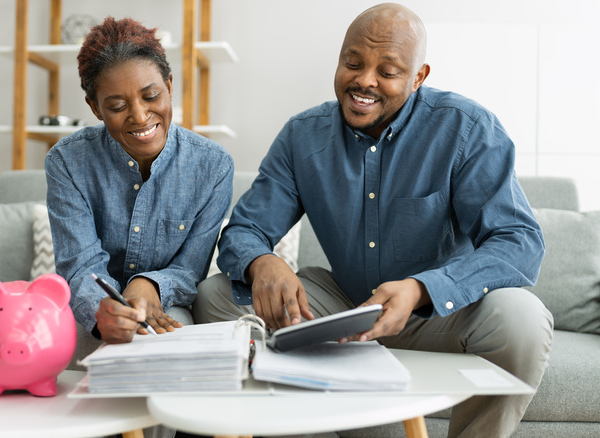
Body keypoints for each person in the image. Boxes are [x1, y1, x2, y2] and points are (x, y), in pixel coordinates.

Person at [193, 3, 553, 437]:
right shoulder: (301, 136)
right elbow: (245, 230)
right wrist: (261, 262)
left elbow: (518, 241)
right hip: (343, 305)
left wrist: (422, 288)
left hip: (434, 313)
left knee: (522, 319)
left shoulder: (467, 128)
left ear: (418, 77)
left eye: (388, 71)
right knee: (215, 296)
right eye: (353, 63)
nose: (365, 80)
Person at [45, 17, 233, 346]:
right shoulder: (67, 162)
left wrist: (149, 285)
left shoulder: (213, 166)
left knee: (166, 343)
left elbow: (190, 270)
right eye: (118, 106)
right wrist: (102, 311)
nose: (140, 116)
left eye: (151, 96)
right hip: (93, 304)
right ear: (95, 107)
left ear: (169, 86)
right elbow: (80, 266)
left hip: (166, 302)